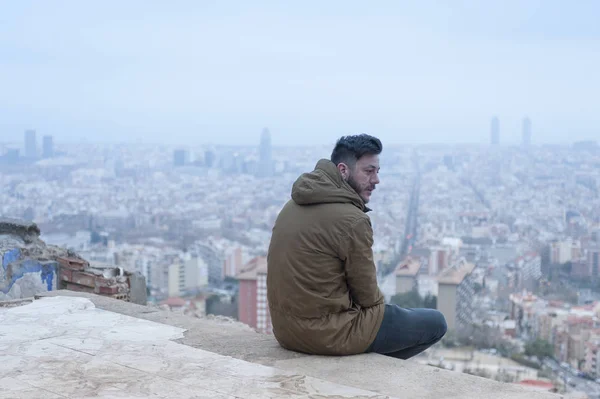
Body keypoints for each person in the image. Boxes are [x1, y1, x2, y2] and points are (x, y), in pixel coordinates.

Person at [267, 134, 447, 359]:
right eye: (368, 171)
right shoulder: (352, 220)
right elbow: (369, 297)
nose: (376, 180)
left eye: (377, 172)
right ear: (343, 170)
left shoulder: (292, 205)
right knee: (436, 322)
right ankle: (375, 371)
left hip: (285, 331)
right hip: (327, 335)